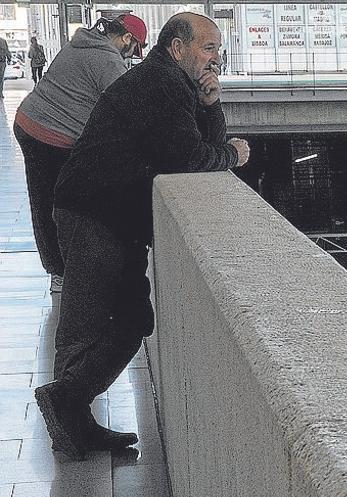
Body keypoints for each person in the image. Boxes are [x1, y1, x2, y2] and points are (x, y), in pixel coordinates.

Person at [35, 12, 250, 460]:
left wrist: (211, 106)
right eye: (208, 48)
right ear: (177, 48)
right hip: (95, 213)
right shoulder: (161, 85)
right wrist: (232, 153)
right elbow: (188, 158)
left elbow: (189, 146)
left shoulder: (174, 86)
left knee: (132, 321)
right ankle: (69, 415)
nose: (216, 58)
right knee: (86, 325)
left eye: (217, 49)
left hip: (116, 218)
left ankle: (71, 408)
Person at [14, 14, 147, 293]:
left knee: (45, 201)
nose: (131, 56)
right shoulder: (107, 60)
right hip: (49, 136)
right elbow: (128, 109)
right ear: (126, 38)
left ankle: (60, 269)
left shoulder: (80, 44)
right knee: (59, 205)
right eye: (133, 49)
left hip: (29, 123)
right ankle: (62, 272)